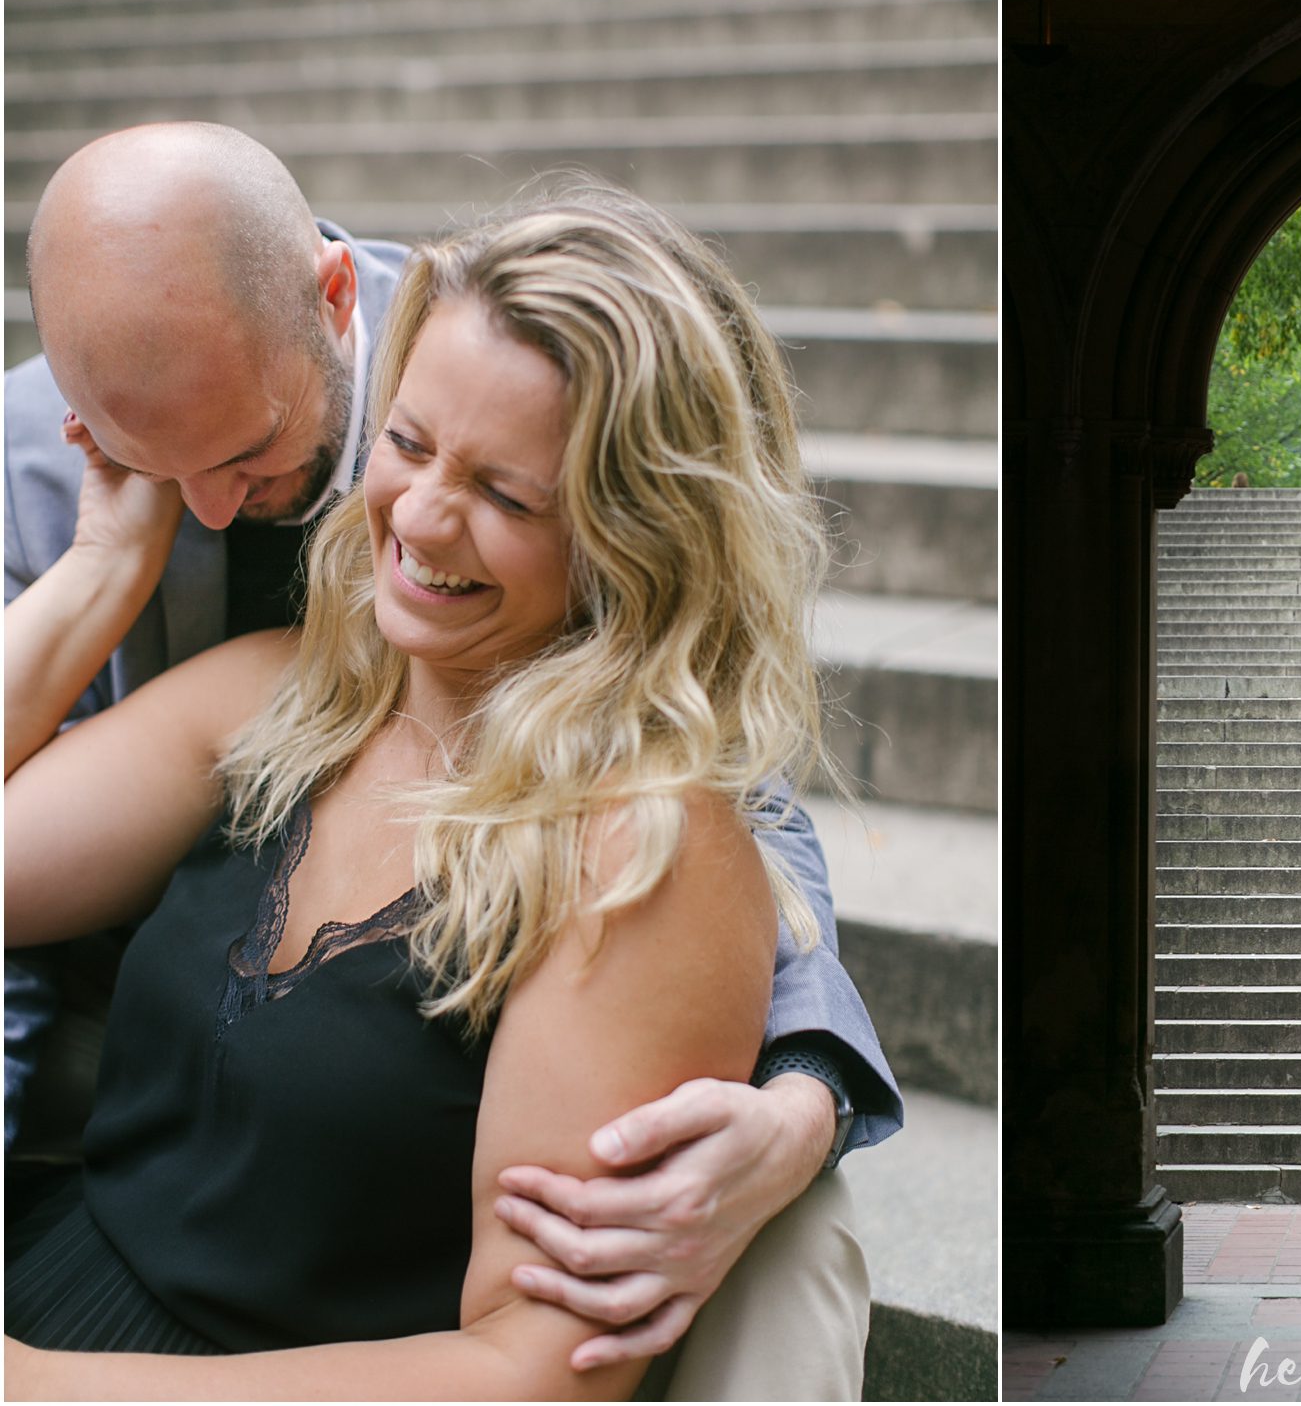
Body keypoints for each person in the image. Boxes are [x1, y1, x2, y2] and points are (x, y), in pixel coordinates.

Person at [3, 126, 895, 1393]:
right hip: (77, 1264)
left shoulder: (638, 840)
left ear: (630, 535)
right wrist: (100, 568)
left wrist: (808, 1094)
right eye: (407, 447)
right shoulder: (279, 677)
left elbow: (535, 1367)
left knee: (786, 1263)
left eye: (509, 497)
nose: (416, 520)